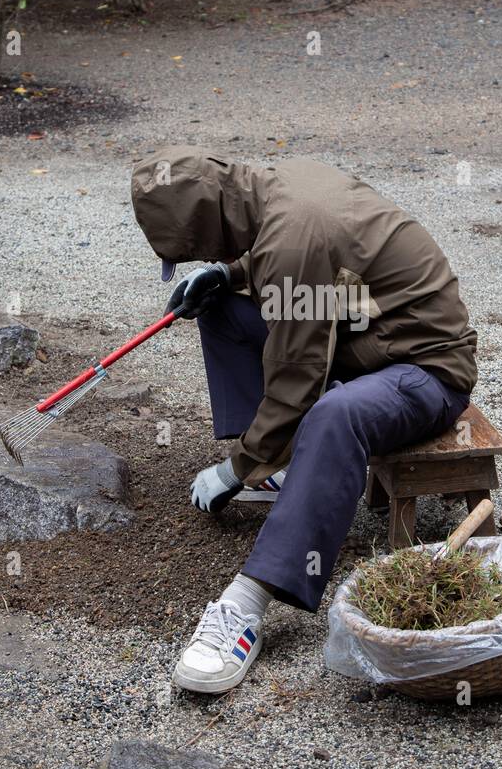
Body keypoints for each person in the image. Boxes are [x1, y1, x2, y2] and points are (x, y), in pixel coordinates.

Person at [131, 145, 477, 694]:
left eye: (196, 248)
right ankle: (282, 468)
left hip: (424, 368)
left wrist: (234, 468)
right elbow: (290, 271)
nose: (197, 254)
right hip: (365, 332)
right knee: (224, 309)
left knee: (331, 413)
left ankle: (246, 607)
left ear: (209, 221)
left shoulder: (294, 240)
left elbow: (298, 379)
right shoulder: (278, 184)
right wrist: (227, 272)